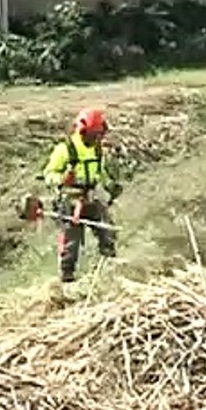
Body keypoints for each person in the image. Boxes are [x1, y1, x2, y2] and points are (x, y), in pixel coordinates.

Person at [41, 107, 121, 283]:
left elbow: (100, 174)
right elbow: (48, 175)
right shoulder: (65, 149)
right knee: (71, 242)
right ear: (83, 131)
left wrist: (111, 187)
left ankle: (109, 268)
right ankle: (66, 278)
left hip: (89, 197)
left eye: (99, 135)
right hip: (69, 201)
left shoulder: (98, 150)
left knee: (108, 230)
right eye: (94, 135)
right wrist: (63, 179)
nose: (97, 139)